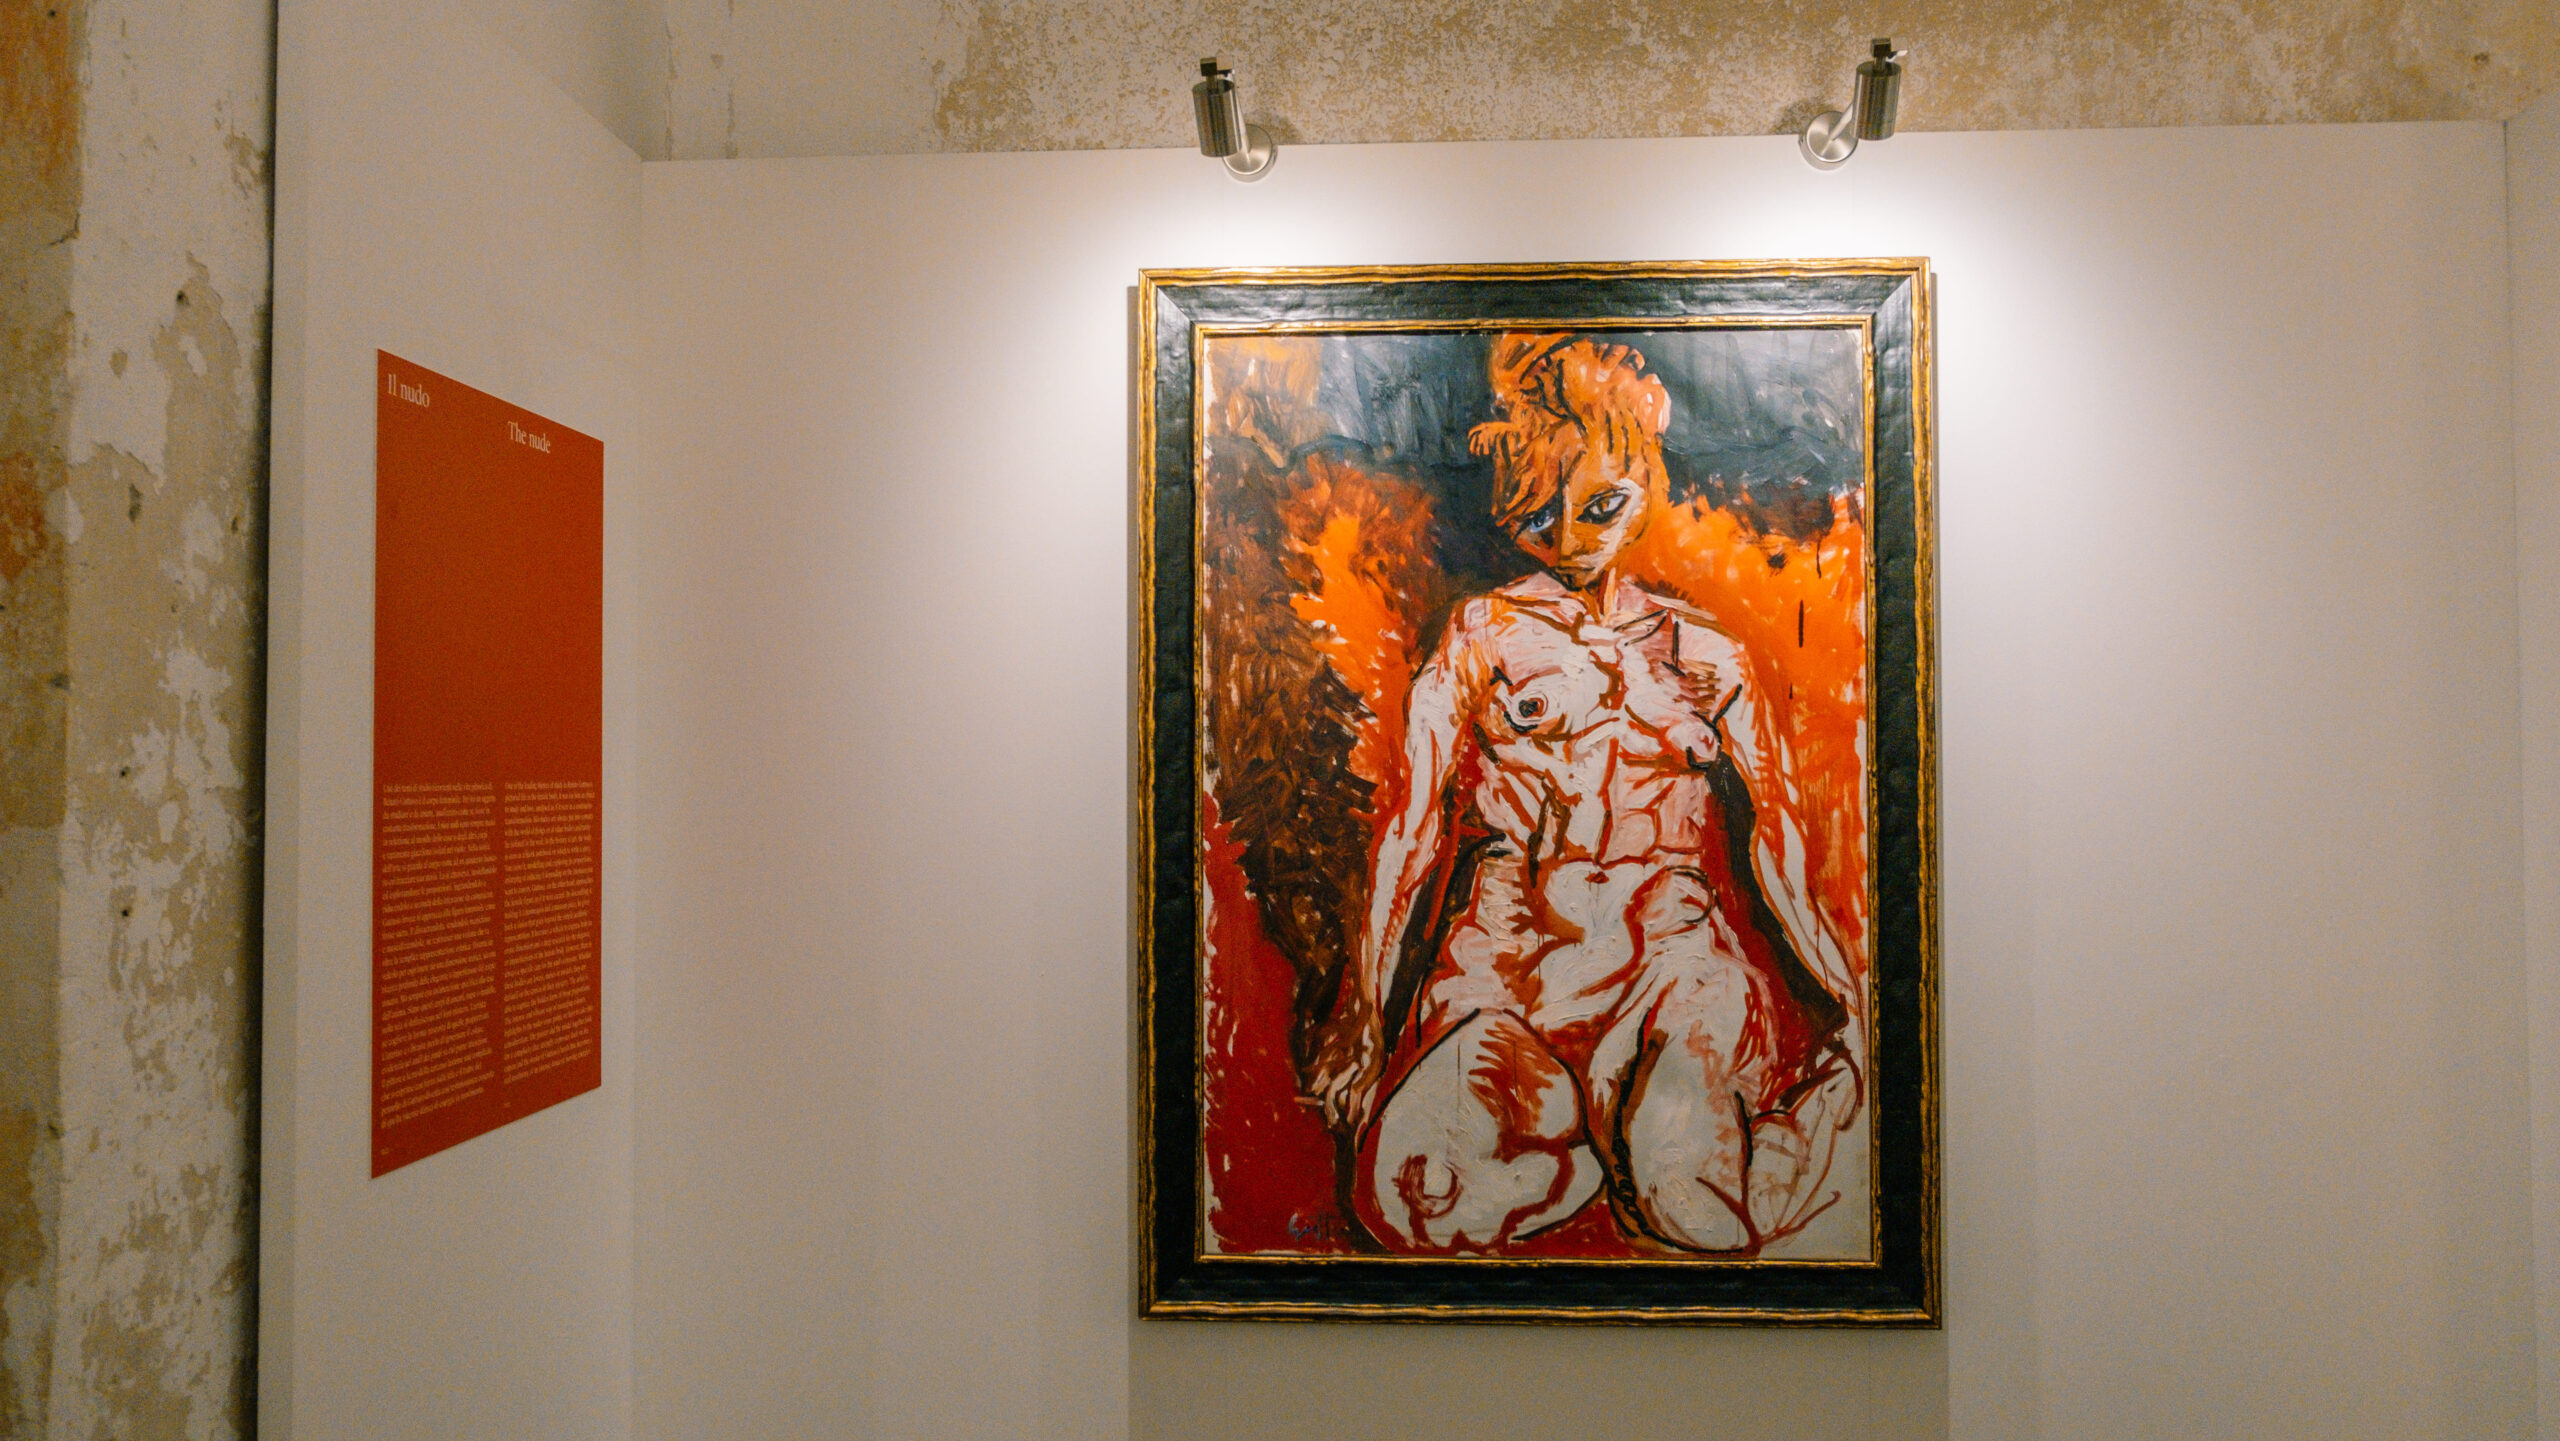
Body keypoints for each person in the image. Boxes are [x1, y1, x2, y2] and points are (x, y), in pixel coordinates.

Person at [1306, 333, 1860, 1256]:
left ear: (1646, 480)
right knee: (1401, 1202)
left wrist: (1850, 1003)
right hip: (1503, 977)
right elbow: (1411, 831)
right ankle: (1593, 1152)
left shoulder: (1708, 655)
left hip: (1668, 971)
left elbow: (1777, 841)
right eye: (1538, 518)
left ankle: (1713, 1134)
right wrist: (1362, 1018)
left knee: (1689, 1210)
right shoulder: (1480, 635)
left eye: (1601, 507)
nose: (1570, 542)